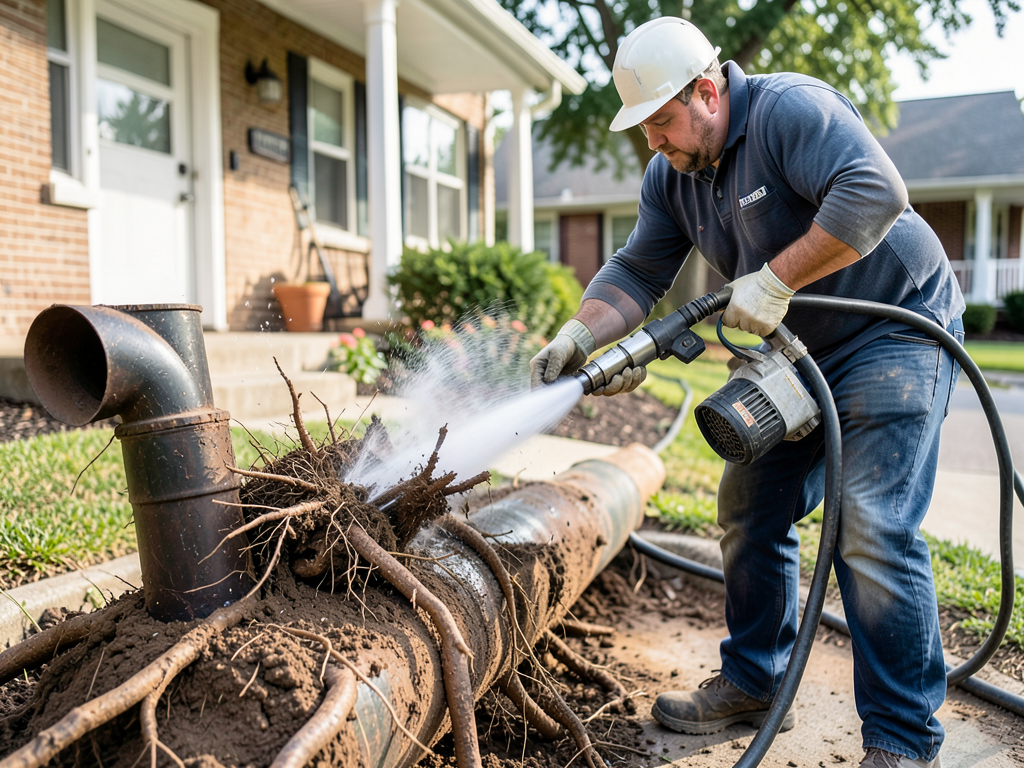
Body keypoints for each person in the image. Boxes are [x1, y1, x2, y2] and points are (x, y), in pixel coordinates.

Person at [530, 16, 964, 768]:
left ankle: (902, 740)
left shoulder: (788, 108)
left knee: (869, 524)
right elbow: (637, 271)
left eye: (662, 122)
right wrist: (580, 336)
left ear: (708, 91)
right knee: (747, 504)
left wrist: (776, 278)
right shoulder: (672, 175)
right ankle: (755, 682)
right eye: (644, 129)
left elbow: (876, 191)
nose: (654, 142)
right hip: (796, 349)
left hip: (897, 324)